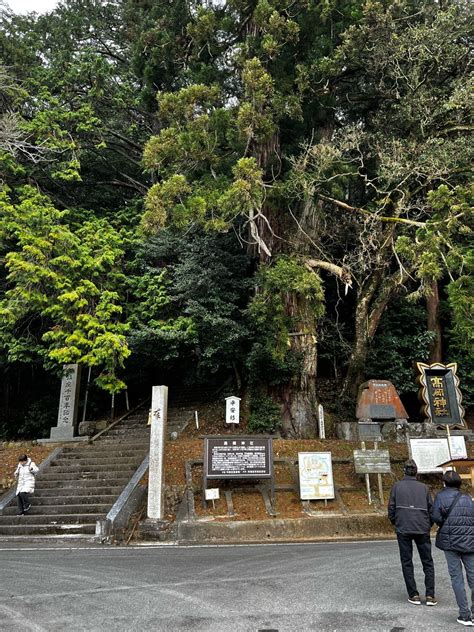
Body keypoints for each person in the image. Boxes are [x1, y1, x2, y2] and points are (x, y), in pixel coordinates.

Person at [388, 459, 437, 606]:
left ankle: (413, 594)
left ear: (404, 471)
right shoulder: (424, 488)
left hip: (403, 527)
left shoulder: (396, 486)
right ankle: (430, 595)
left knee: (407, 561)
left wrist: (396, 522)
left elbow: (391, 508)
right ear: (416, 472)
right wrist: (428, 524)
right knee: (427, 561)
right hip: (422, 527)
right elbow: (431, 509)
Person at [432, 470, 474, 627]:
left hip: (451, 543)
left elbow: (435, 516)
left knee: (457, 578)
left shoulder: (440, 497)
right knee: (473, 576)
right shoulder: (467, 498)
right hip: (470, 543)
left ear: (445, 483)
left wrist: (445, 524)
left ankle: (464, 615)